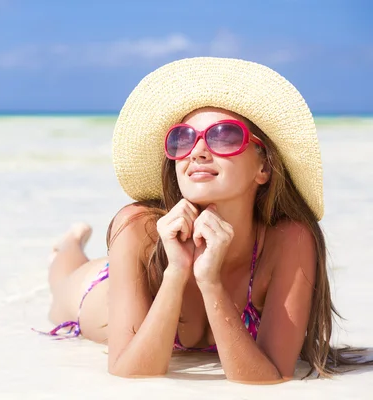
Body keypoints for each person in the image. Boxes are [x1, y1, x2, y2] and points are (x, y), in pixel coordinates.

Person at [39, 57, 368, 383]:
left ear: (264, 166)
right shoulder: (139, 228)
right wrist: (177, 272)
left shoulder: (289, 239)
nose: (197, 151)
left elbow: (269, 378)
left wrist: (210, 281)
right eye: (183, 138)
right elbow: (133, 373)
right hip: (95, 294)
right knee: (64, 275)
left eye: (223, 136)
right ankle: (69, 242)